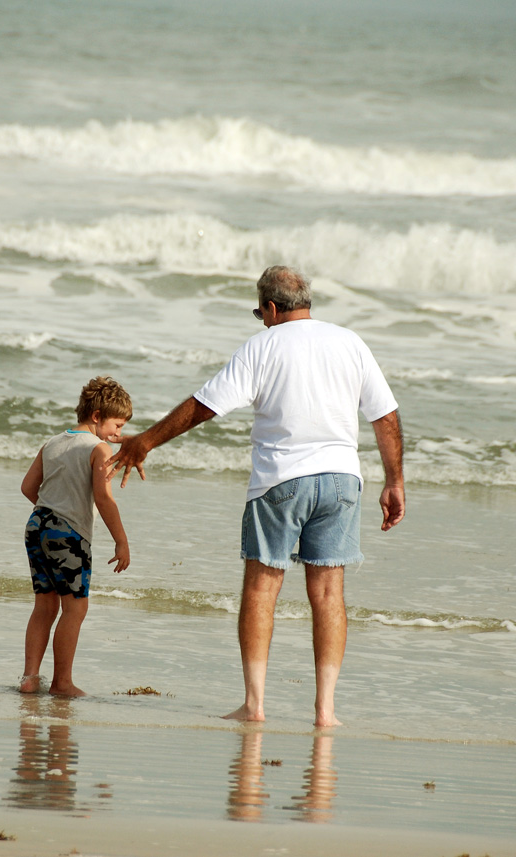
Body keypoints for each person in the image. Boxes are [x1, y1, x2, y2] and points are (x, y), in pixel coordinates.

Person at [108, 266, 404, 727]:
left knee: (262, 587)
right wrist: (394, 481)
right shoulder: (350, 342)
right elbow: (385, 416)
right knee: (328, 592)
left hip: (280, 481)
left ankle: (255, 705)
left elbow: (204, 406)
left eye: (259, 313)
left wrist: (145, 440)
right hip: (343, 481)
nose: (261, 321)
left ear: (269, 307)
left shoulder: (262, 345)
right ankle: (326, 711)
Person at [19, 376, 133, 697]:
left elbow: (28, 487)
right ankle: (62, 683)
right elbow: (104, 498)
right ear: (97, 416)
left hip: (36, 526)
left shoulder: (53, 442)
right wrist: (120, 540)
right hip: (68, 534)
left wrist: (52, 509)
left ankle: (29, 678)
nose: (119, 434)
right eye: (117, 425)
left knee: (44, 606)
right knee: (75, 610)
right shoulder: (99, 449)